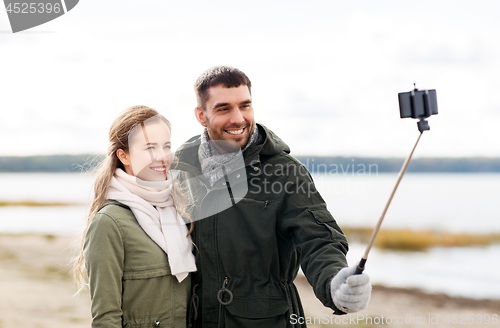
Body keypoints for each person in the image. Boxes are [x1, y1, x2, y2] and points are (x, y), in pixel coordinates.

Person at [172, 66, 372, 328]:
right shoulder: (182, 167)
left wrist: (335, 282)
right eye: (224, 109)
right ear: (201, 115)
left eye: (245, 106)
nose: (238, 118)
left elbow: (320, 239)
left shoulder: (286, 171)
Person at [73, 105, 197, 328]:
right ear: (124, 155)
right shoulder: (108, 223)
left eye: (166, 146)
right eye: (150, 148)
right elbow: (106, 318)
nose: (162, 157)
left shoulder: (178, 210)